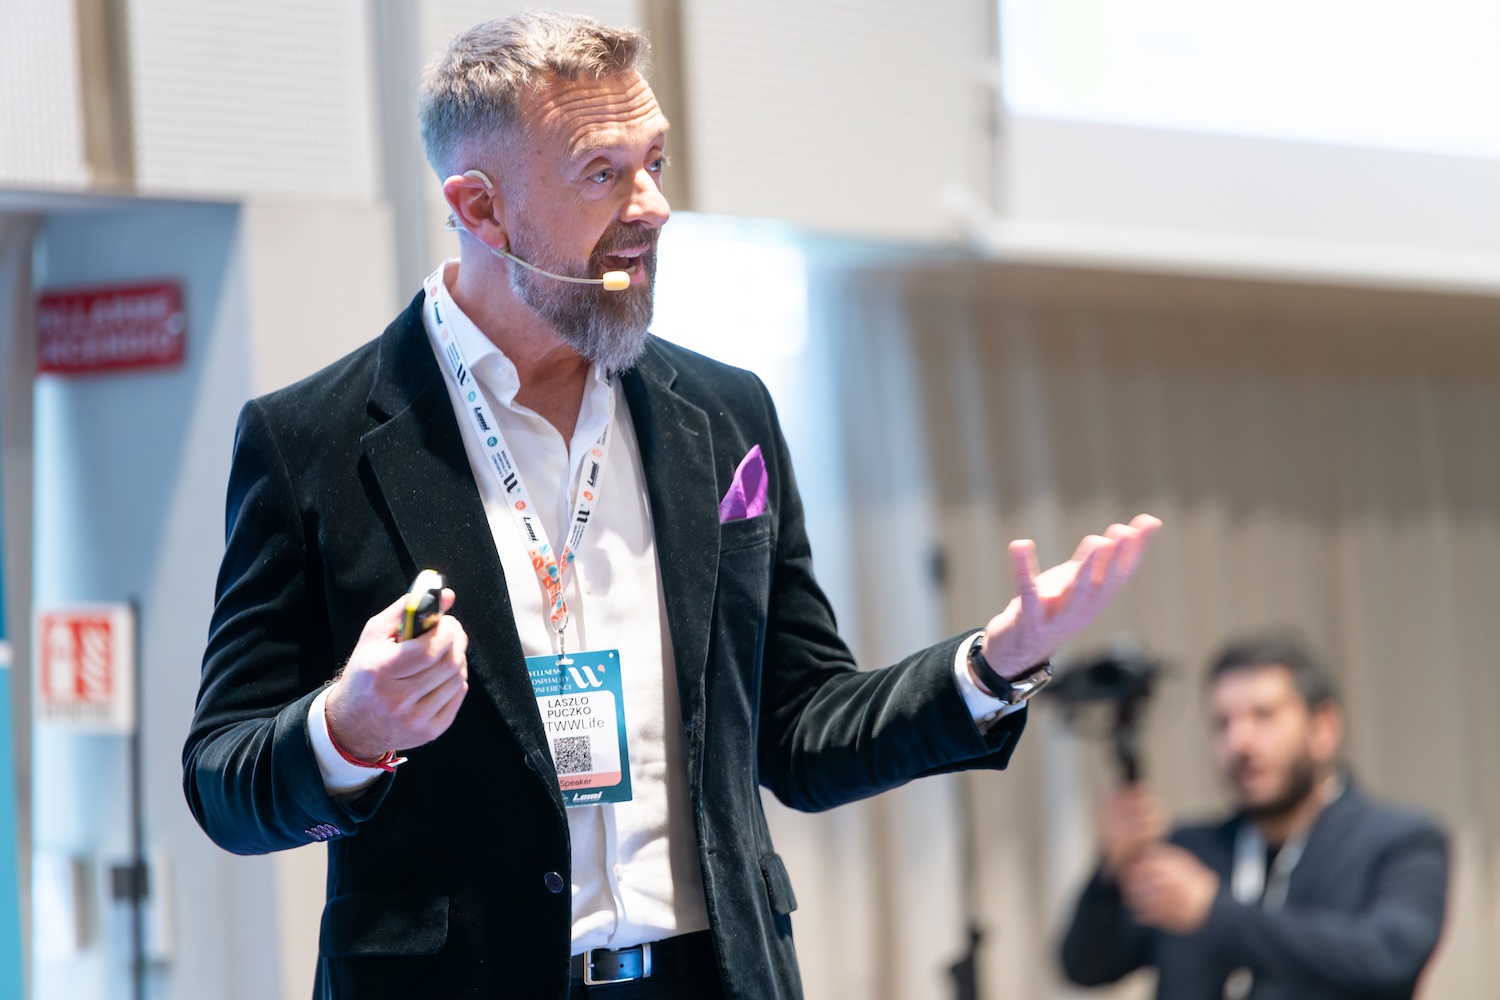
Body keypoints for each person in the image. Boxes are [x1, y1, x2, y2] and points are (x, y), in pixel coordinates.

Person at [182, 12, 1160, 999]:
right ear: (480, 209)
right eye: (603, 173)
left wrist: (990, 665)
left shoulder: (725, 414)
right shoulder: (312, 439)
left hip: (713, 977)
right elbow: (224, 783)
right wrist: (346, 725)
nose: (651, 205)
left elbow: (802, 728)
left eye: (655, 161)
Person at [1060, 633, 1449, 1000]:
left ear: (1323, 728)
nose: (1240, 742)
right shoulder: (1192, 850)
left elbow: (1389, 959)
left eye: (1264, 716)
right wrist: (1113, 869)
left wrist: (1214, 912)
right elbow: (1086, 967)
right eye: (1224, 723)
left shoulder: (1401, 841)